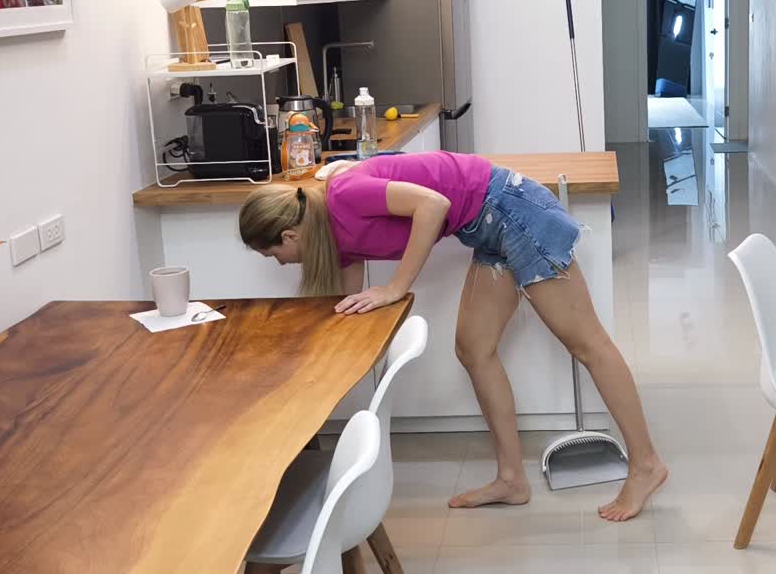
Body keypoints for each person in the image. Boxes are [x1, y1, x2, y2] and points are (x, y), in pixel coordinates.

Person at [239, 152, 668, 521]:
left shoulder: (342, 196)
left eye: (273, 253)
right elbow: (349, 288)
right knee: (473, 349)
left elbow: (434, 204)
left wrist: (396, 287)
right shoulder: (330, 230)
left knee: (587, 344)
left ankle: (646, 463)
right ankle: (511, 479)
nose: (278, 263)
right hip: (487, 227)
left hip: (514, 211)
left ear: (290, 235)